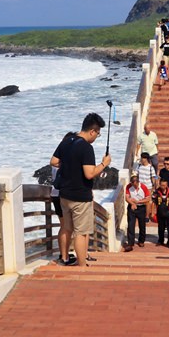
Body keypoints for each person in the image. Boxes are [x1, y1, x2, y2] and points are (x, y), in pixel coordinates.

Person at [50, 113, 111, 267]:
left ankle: (67, 258)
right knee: (81, 233)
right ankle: (82, 266)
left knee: (67, 228)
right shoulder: (86, 148)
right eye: (98, 133)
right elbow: (89, 174)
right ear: (93, 131)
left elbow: (54, 161)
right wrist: (104, 164)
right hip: (80, 197)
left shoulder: (66, 141)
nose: (97, 136)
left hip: (64, 196)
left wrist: (69, 166)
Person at [124, 172, 151, 250]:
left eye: (135, 184)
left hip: (141, 207)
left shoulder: (143, 187)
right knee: (131, 225)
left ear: (138, 182)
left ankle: (141, 240)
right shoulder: (128, 187)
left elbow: (148, 198)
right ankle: (130, 243)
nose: (134, 186)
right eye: (132, 184)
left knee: (142, 225)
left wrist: (138, 202)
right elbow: (127, 198)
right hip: (132, 207)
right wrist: (132, 203)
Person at [152, 180, 169, 248]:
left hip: (168, 212)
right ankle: (160, 240)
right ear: (159, 185)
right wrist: (152, 212)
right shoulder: (156, 192)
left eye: (164, 185)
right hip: (160, 212)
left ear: (166, 185)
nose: (163, 187)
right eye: (161, 185)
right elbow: (153, 202)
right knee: (161, 227)